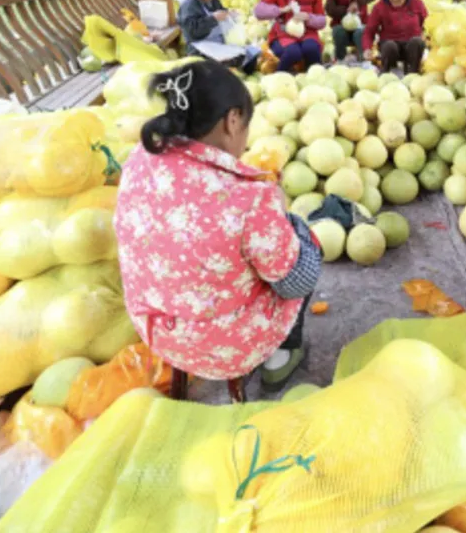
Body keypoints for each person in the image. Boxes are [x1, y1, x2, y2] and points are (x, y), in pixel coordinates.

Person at [114, 60, 322, 389]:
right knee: (304, 250)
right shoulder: (250, 197)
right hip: (224, 347)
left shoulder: (141, 157)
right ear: (233, 119)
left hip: (156, 331)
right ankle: (279, 359)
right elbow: (294, 281)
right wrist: (282, 214)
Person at [178, 0, 260, 74]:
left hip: (216, 44)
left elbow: (222, 11)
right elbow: (192, 32)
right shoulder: (189, 6)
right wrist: (213, 19)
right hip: (198, 49)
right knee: (235, 59)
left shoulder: (213, 0)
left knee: (251, 53)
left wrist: (229, 14)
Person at [254, 0, 326, 73]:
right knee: (293, 52)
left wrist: (308, 17)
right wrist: (281, 10)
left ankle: (312, 78)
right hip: (282, 35)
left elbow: (322, 21)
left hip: (308, 34)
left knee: (311, 49)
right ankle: (279, 77)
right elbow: (258, 11)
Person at [362, 0, 428, 74]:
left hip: (411, 47)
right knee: (389, 45)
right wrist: (367, 48)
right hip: (389, 46)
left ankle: (412, 71)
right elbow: (369, 31)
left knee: (417, 41)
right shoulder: (380, 6)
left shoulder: (416, 2)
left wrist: (427, 40)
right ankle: (387, 71)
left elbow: (427, 24)